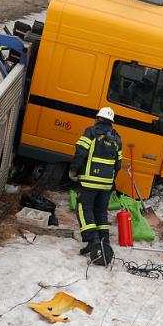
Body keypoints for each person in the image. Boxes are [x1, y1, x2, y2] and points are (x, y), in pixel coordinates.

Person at [69, 107, 123, 266]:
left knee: (83, 208)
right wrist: (110, 181)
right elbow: (118, 165)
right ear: (111, 122)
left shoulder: (91, 132)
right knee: (100, 211)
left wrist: (73, 170)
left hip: (88, 181)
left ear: (97, 118)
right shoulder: (117, 139)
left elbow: (80, 152)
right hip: (106, 184)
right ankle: (104, 242)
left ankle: (92, 240)